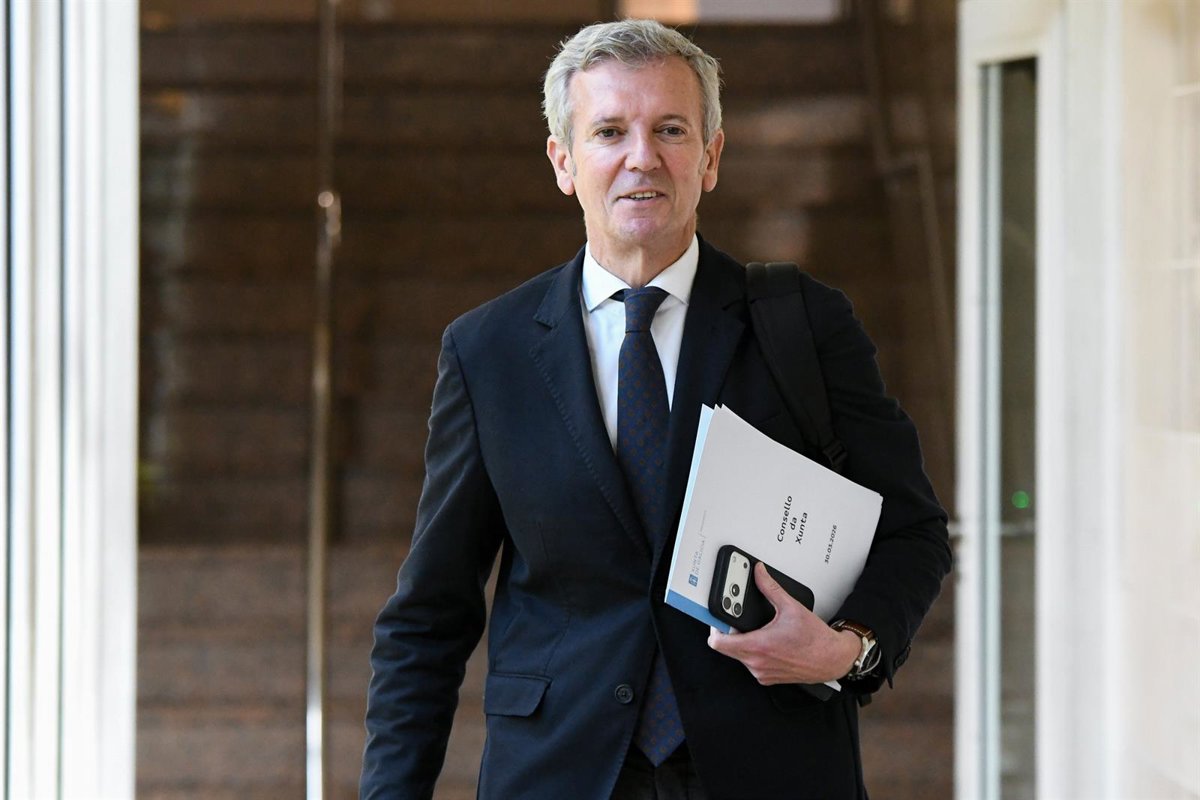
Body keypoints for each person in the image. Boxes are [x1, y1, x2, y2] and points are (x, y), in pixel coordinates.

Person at [361, 19, 951, 800]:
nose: (642, 156)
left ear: (710, 157)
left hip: (770, 768)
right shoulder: (488, 351)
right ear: (564, 162)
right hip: (561, 773)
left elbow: (913, 531)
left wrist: (849, 648)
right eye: (610, 131)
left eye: (670, 129)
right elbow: (430, 616)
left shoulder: (802, 325)